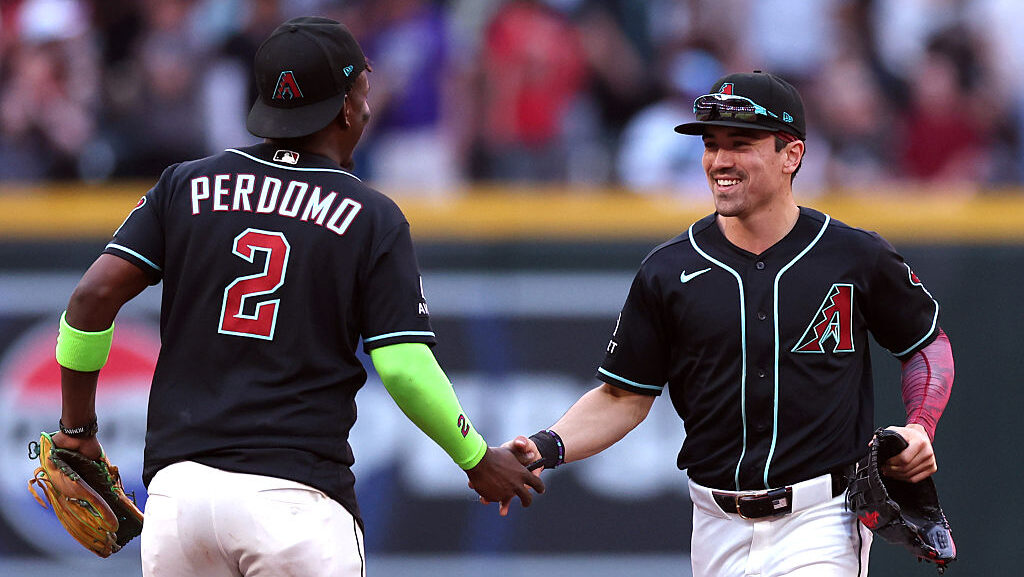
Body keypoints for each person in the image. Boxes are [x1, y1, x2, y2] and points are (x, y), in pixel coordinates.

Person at [50, 16, 542, 577]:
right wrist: (476, 458)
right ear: (344, 110)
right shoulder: (370, 216)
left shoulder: (185, 185)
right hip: (294, 502)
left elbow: (91, 299)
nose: (367, 107)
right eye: (363, 91)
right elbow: (404, 367)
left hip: (178, 503)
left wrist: (78, 431)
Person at [503, 72, 953, 577]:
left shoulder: (853, 256)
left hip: (820, 519)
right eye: (712, 145)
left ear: (792, 155)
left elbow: (926, 345)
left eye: (740, 143)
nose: (720, 160)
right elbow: (622, 396)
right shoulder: (669, 269)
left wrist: (920, 425)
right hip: (714, 525)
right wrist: (546, 445)